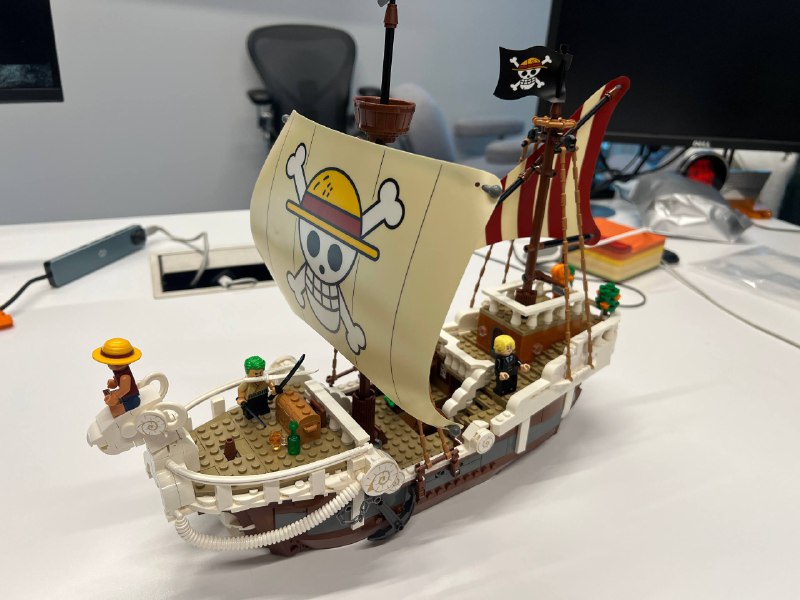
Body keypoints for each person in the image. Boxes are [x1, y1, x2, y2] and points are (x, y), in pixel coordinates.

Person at [92, 338, 143, 418]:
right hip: (125, 396)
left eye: (115, 364)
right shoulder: (118, 371)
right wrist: (114, 382)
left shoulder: (125, 377)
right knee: (110, 398)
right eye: (109, 363)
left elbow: (124, 389)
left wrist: (114, 397)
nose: (110, 365)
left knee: (115, 411)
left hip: (132, 400)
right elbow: (119, 383)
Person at [237, 355, 275, 419]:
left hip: (263, 395)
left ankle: (263, 410)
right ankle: (250, 415)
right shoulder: (247, 382)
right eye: (256, 374)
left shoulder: (265, 378)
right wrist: (241, 398)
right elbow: (241, 390)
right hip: (250, 399)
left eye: (260, 372)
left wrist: (273, 388)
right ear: (248, 372)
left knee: (264, 407)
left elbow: (270, 383)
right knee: (251, 412)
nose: (259, 375)